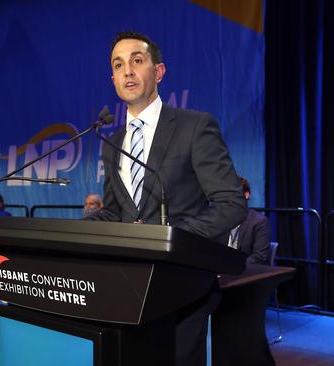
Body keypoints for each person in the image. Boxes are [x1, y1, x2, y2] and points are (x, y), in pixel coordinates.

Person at [88, 31, 247, 366]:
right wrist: (73, 231)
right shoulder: (111, 141)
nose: (128, 71)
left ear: (158, 72)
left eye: (137, 60)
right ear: (113, 79)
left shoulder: (194, 126)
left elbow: (231, 203)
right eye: (119, 65)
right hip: (127, 289)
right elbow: (115, 212)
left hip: (182, 288)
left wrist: (170, 238)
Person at [227, 177, 271, 264]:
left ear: (246, 195)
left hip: (243, 271)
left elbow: (259, 257)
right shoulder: (220, 220)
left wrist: (232, 267)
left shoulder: (259, 221)